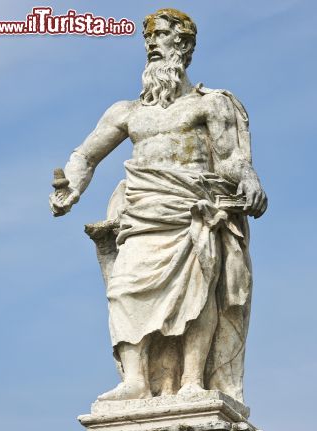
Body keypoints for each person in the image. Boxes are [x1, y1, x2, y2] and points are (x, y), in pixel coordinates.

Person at [50, 8, 267, 403]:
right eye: (147, 38)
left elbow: (232, 159)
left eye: (161, 35)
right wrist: (72, 187)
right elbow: (85, 154)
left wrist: (249, 179)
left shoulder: (209, 104)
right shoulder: (128, 112)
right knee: (123, 289)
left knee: (199, 292)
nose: (151, 44)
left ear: (182, 45)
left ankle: (191, 382)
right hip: (142, 212)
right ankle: (134, 380)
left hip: (193, 210)